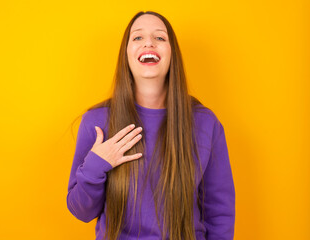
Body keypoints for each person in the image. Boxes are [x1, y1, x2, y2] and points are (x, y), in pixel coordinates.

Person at [66, 11, 235, 240]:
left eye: (160, 38)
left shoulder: (205, 123)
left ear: (172, 53)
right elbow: (81, 211)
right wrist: (96, 165)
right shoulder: (96, 122)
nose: (148, 42)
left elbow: (220, 213)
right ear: (125, 55)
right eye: (137, 38)